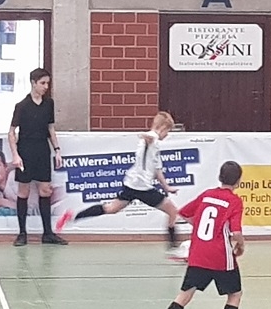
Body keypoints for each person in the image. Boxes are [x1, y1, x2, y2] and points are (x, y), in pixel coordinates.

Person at [142, 160, 247, 309]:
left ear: (220, 177)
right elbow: (236, 232)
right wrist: (241, 245)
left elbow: (183, 213)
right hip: (220, 256)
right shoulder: (234, 201)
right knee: (235, 294)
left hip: (198, 254)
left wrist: (198, 225)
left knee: (184, 295)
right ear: (239, 181)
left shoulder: (207, 195)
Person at [57, 110, 184, 258]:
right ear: (162, 128)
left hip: (131, 185)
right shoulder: (152, 139)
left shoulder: (155, 145)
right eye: (167, 131)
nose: (167, 135)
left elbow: (157, 169)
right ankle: (172, 248)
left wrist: (167, 187)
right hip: (142, 187)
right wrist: (149, 135)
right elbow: (150, 137)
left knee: (111, 209)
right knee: (172, 211)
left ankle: (72, 216)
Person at [9, 68, 66, 246]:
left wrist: (57, 149)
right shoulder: (21, 106)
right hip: (25, 150)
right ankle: (22, 233)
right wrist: (15, 155)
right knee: (23, 191)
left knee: (45, 190)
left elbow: (50, 128)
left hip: (42, 149)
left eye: (47, 83)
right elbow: (11, 132)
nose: (46, 87)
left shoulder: (49, 104)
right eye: (42, 83)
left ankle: (48, 233)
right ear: (33, 83)